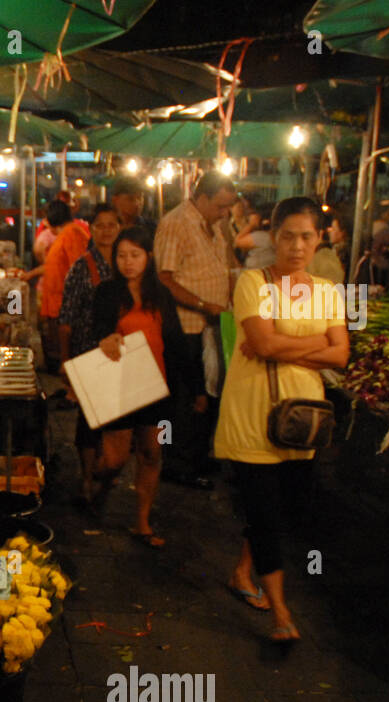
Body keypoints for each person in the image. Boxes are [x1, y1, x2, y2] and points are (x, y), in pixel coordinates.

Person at [215, 196, 349, 642]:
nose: (296, 245)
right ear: (274, 237)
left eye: (306, 236)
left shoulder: (328, 291)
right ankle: (280, 613)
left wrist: (281, 343)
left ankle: (242, 572)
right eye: (288, 235)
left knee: (285, 510)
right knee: (267, 514)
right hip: (253, 414)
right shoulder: (253, 282)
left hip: (304, 419)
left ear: (319, 239)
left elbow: (341, 353)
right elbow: (266, 344)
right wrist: (315, 344)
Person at [79, 226, 205, 545]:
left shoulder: (160, 294)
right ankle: (99, 483)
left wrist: (196, 387)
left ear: (148, 256)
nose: (128, 262)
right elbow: (97, 330)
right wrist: (104, 340)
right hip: (121, 387)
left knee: (152, 453)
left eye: (135, 255)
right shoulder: (107, 292)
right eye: (121, 255)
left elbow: (175, 340)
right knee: (114, 460)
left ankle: (142, 522)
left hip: (159, 390)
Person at [153, 170, 235, 489]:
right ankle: (175, 463)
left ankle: (198, 457)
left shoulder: (213, 227)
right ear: (201, 198)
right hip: (184, 328)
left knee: (208, 394)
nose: (225, 213)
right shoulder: (176, 224)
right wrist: (203, 304)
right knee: (185, 399)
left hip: (210, 328)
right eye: (220, 206)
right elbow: (165, 279)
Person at [58, 203, 121, 507]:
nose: (106, 230)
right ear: (91, 230)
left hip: (122, 353)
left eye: (112, 225)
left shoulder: (128, 264)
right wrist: (65, 360)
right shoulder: (82, 267)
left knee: (116, 418)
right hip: (88, 351)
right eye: (100, 225)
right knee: (89, 420)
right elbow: (66, 318)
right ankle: (86, 477)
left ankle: (105, 470)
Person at [35, 199, 92, 369]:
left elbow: (78, 271)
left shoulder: (74, 234)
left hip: (65, 308)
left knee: (67, 358)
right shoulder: (67, 234)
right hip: (57, 305)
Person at [233, 194, 275, 269]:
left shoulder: (262, 237)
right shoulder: (277, 236)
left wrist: (251, 224)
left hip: (256, 276)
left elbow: (238, 241)